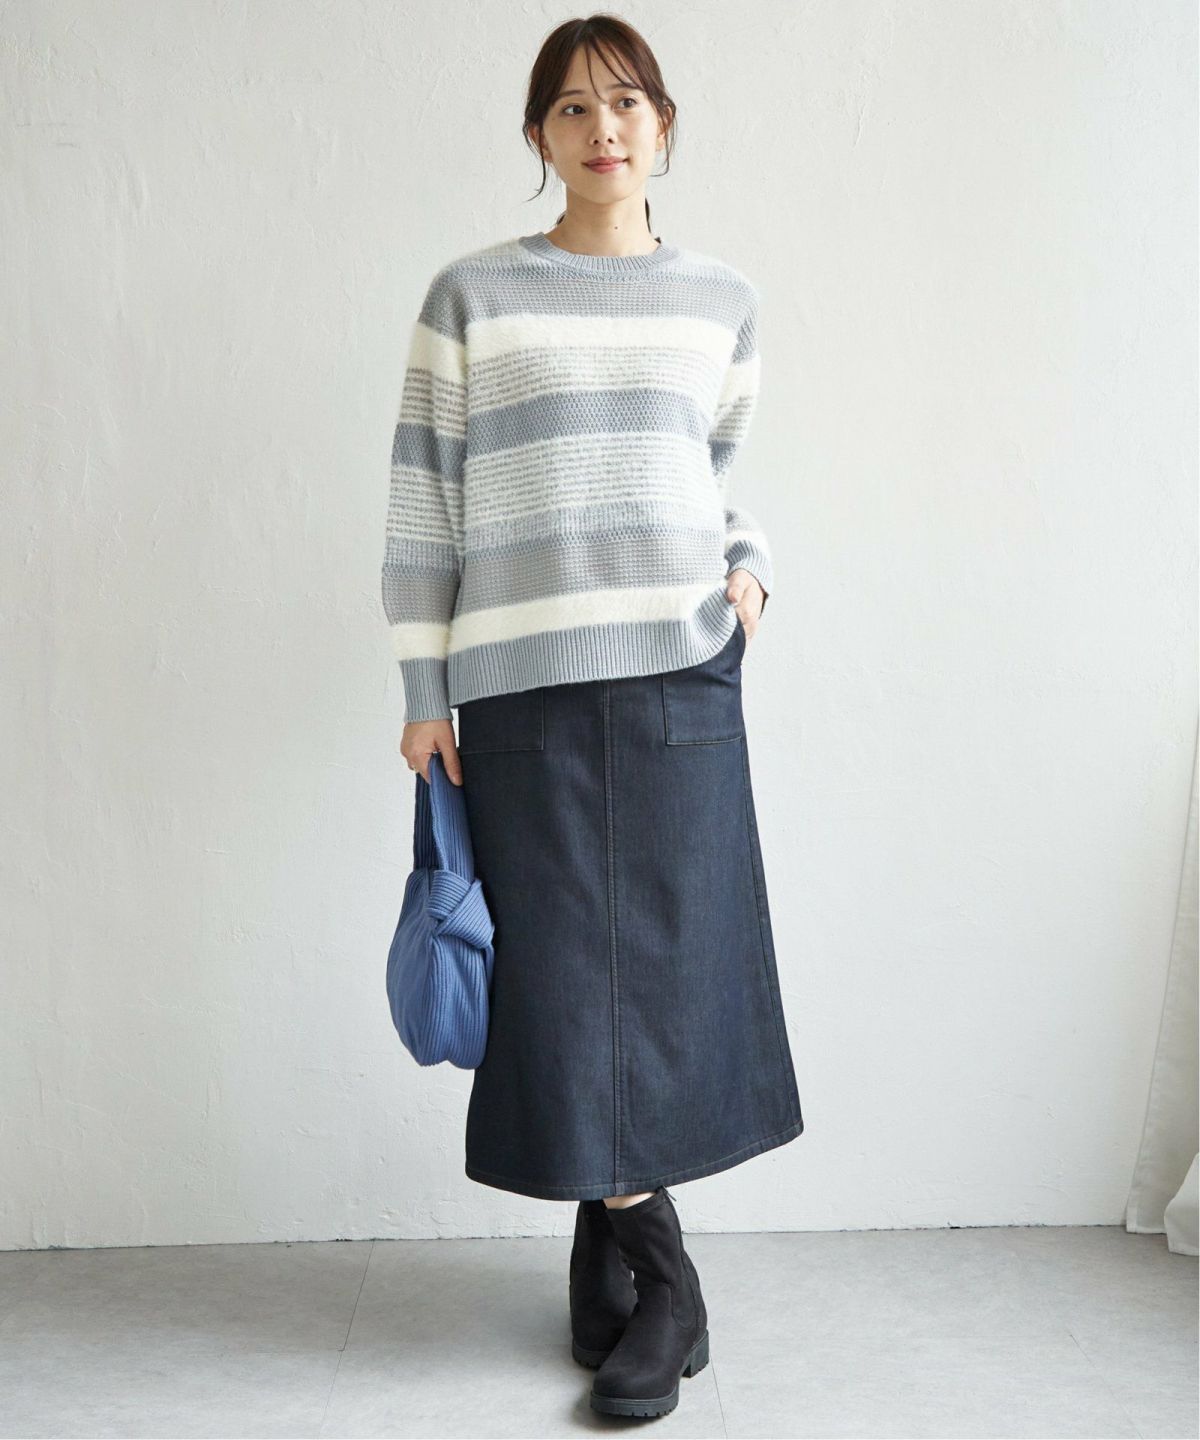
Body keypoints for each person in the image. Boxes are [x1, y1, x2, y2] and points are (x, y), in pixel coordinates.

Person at [381, 13, 804, 1421]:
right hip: (520, 687)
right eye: (571, 108)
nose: (602, 127)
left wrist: (752, 574)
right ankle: (664, 1276)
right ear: (538, 137)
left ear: (663, 126)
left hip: (680, 671)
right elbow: (423, 500)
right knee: (562, 986)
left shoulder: (720, 300)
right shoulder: (470, 296)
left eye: (625, 103)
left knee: (670, 979)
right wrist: (422, 689)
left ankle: (621, 1268)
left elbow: (711, 476)